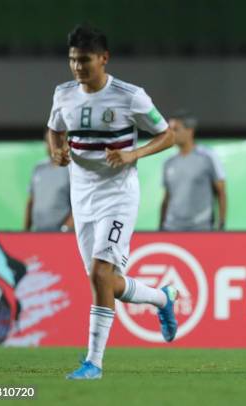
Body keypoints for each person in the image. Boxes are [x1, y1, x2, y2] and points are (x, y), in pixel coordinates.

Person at [47, 24, 178, 380]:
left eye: (85, 60)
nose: (78, 67)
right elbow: (55, 129)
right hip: (82, 194)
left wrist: (134, 153)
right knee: (104, 281)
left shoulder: (130, 96)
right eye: (73, 60)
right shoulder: (64, 94)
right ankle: (162, 298)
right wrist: (56, 151)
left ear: (103, 58)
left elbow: (168, 135)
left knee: (100, 274)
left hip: (117, 195)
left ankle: (94, 362)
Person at [159, 111, 226, 231]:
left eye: (176, 129)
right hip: (172, 228)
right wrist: (161, 226)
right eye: (170, 130)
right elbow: (167, 198)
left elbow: (221, 192)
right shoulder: (168, 162)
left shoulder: (207, 157)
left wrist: (221, 224)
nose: (171, 134)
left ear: (190, 131)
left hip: (200, 228)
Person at [24, 139, 73, 232]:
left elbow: (79, 204)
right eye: (48, 141)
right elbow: (31, 201)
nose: (51, 145)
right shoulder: (39, 168)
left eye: (54, 140)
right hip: (38, 232)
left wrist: (66, 229)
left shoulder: (71, 169)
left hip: (62, 234)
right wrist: (25, 231)